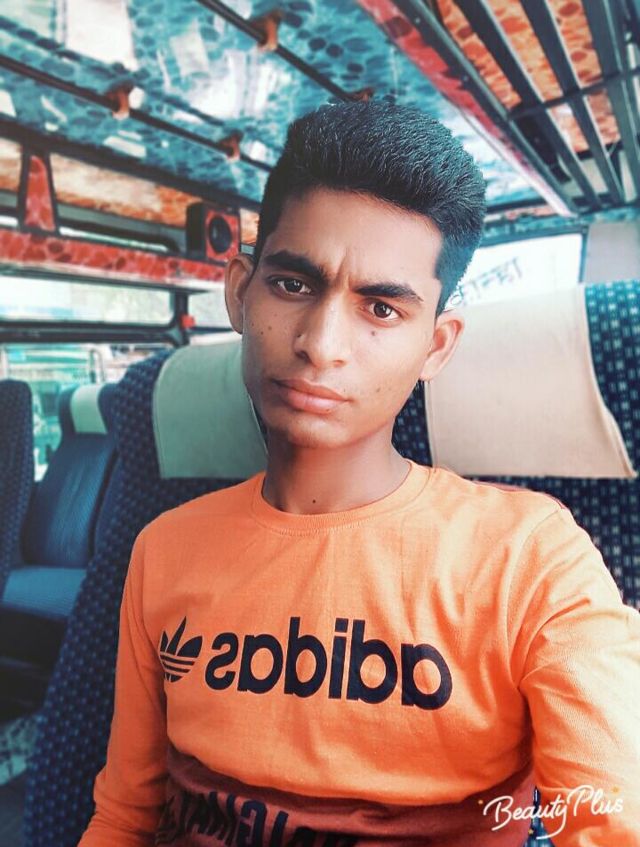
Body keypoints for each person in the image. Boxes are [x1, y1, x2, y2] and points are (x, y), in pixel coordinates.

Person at [78, 101, 640, 847]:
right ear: (240, 292)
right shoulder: (164, 547)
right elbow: (126, 814)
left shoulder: (532, 560)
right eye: (292, 285)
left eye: (380, 308)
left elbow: (607, 823)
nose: (321, 343)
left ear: (436, 346)